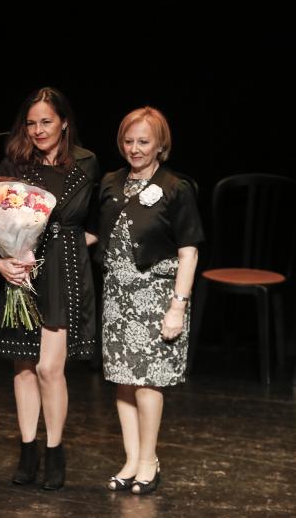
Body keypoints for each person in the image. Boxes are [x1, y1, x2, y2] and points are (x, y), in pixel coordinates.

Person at [0, 87, 100, 490]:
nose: (38, 130)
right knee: (24, 366)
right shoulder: (14, 163)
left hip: (64, 268)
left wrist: (72, 246)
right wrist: (1, 260)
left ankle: (55, 450)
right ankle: (27, 449)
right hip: (23, 267)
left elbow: (97, 223)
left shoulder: (86, 164)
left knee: (52, 367)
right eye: (31, 123)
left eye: (46, 122)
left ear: (64, 122)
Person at [98, 106, 204, 495]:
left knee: (147, 382)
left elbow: (189, 252)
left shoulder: (176, 188)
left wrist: (178, 305)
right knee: (122, 381)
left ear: (161, 145)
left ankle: (148, 459)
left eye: (144, 141)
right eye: (129, 141)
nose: (135, 148)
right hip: (117, 297)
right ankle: (130, 458)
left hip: (156, 296)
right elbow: (98, 236)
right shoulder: (111, 183)